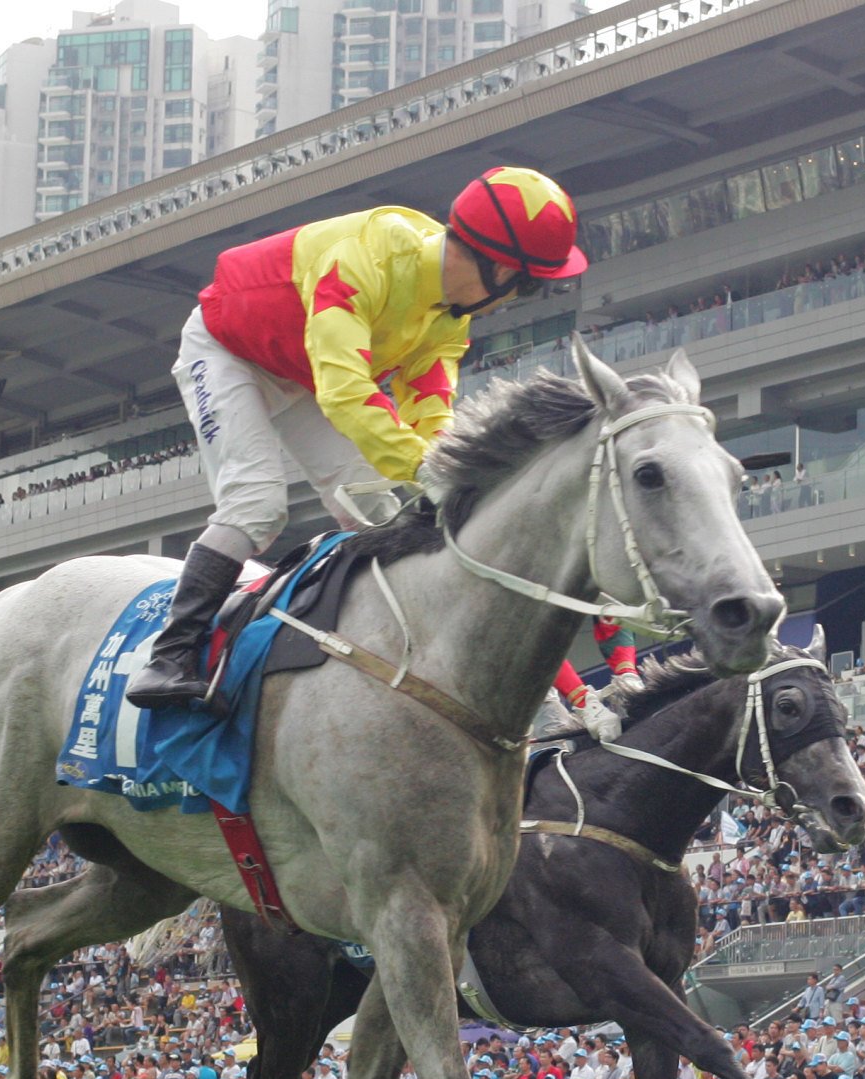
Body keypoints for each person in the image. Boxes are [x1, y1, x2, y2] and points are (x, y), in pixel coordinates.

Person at [127, 166, 589, 711]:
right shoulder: (366, 257)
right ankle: (170, 655)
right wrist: (428, 474)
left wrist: (449, 473)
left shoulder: (448, 318)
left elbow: (430, 410)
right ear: (499, 267)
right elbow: (346, 391)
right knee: (256, 503)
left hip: (303, 374)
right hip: (228, 350)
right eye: (529, 282)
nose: (521, 297)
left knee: (376, 511)